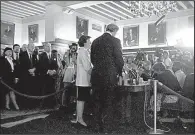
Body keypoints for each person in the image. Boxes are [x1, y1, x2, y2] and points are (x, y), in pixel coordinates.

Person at [91, 23, 124, 132]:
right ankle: (106, 128)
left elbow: (92, 59)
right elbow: (119, 59)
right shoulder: (115, 41)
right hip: (109, 75)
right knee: (108, 100)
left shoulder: (95, 41)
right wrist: (119, 72)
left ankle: (96, 126)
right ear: (114, 31)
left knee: (97, 100)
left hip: (96, 75)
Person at [71, 35, 93, 127]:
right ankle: (79, 119)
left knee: (81, 99)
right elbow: (88, 67)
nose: (90, 43)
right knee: (81, 100)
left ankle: (78, 118)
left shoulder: (84, 51)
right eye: (89, 41)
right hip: (83, 81)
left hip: (83, 80)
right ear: (84, 42)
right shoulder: (83, 52)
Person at [37, 43, 58, 109]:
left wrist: (54, 71)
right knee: (44, 90)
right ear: (44, 47)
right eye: (47, 46)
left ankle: (51, 105)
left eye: (50, 46)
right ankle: (43, 105)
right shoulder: (41, 55)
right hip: (44, 76)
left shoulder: (53, 55)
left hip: (52, 77)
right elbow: (40, 65)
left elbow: (56, 65)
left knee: (52, 90)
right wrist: (48, 71)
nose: (49, 48)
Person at [19, 43, 39, 109]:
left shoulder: (34, 55)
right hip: (25, 76)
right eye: (31, 46)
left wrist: (34, 69)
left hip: (33, 76)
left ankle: (32, 105)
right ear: (28, 47)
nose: (33, 47)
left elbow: (37, 64)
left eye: (33, 46)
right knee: (25, 90)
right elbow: (21, 65)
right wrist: (28, 70)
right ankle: (25, 106)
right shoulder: (22, 54)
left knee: (32, 90)